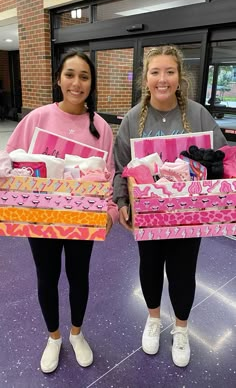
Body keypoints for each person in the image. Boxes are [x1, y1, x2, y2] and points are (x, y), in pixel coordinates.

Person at [113, 45, 227, 367]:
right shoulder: (133, 119)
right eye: (155, 72)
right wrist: (122, 201)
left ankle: (181, 328)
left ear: (180, 77)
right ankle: (152, 319)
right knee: (149, 268)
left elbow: (221, 160)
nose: (162, 79)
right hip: (149, 217)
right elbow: (121, 167)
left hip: (190, 217)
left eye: (170, 72)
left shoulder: (198, 114)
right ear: (145, 79)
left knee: (182, 272)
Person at [6, 50, 118, 373]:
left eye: (84, 76)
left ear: (91, 83)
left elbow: (109, 178)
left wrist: (109, 214)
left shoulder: (101, 128)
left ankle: (77, 333)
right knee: (47, 276)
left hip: (82, 220)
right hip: (41, 220)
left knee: (78, 276)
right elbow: (10, 161)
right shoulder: (36, 119)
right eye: (70, 74)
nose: (76, 83)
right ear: (58, 78)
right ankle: (53, 337)